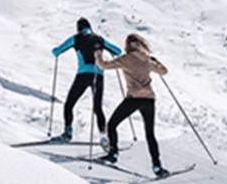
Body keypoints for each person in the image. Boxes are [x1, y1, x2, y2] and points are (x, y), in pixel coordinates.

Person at [97, 34, 169, 170]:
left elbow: (103, 66)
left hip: (134, 99)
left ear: (127, 45)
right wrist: (156, 62)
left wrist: (97, 54)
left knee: (112, 125)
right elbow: (164, 72)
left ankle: (113, 154)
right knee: (150, 133)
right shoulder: (147, 60)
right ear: (140, 43)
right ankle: (157, 166)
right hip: (149, 99)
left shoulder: (126, 59)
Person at [50, 18, 120, 142]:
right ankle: (104, 136)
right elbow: (117, 51)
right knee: (97, 108)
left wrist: (54, 51)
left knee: (69, 104)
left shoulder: (75, 39)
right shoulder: (100, 39)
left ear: (78, 28)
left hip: (83, 75)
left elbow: (57, 51)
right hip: (98, 75)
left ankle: (68, 133)